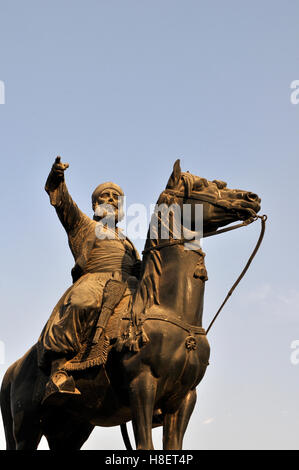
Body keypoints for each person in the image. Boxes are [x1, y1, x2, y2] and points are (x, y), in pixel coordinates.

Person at [37, 157, 141, 399]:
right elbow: (63, 203)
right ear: (95, 203)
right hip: (95, 281)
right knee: (82, 301)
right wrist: (57, 178)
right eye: (105, 196)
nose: (111, 200)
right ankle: (58, 369)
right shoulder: (83, 225)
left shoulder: (128, 242)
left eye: (116, 198)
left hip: (128, 285)